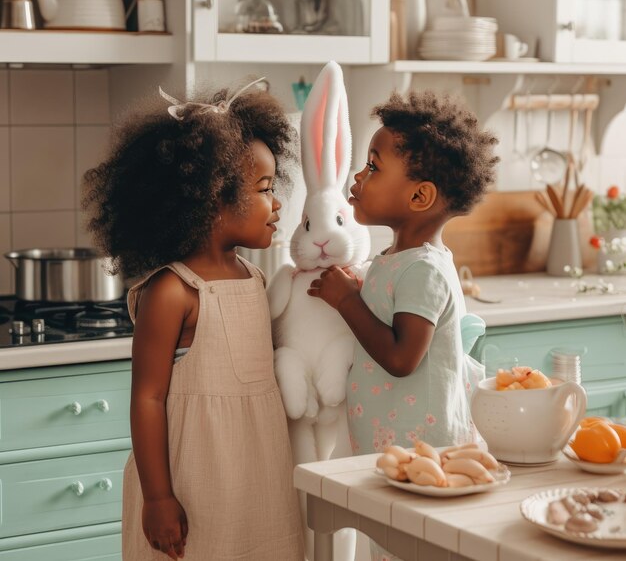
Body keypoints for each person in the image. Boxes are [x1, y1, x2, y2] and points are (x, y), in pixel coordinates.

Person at [82, 79, 304, 561]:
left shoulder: (253, 277)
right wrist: (158, 498)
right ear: (212, 201)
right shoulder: (172, 291)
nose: (278, 202)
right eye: (265, 189)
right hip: (191, 480)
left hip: (256, 477)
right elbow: (147, 397)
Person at [307, 90, 499, 561]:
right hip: (396, 453)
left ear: (419, 195)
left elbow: (401, 357)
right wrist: (360, 286)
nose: (358, 176)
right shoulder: (398, 260)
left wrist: (348, 300)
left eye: (373, 167)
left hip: (428, 454)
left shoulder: (425, 269)